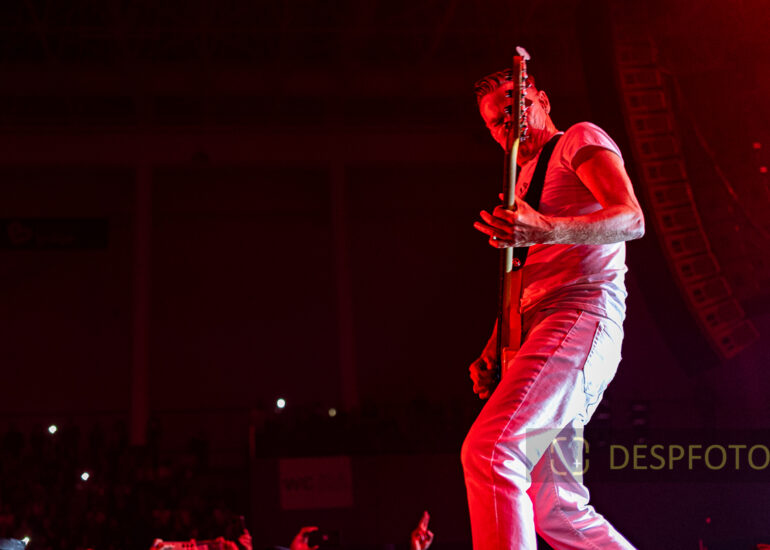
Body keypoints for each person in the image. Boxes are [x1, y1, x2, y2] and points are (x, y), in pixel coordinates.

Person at [461, 67, 644, 550]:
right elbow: (527, 275)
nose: (508, 121)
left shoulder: (578, 139)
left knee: (491, 452)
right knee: (557, 506)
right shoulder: (522, 181)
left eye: (515, 105)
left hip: (580, 318)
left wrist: (546, 228)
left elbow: (632, 218)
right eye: (496, 120)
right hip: (543, 331)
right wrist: (493, 345)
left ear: (542, 99)